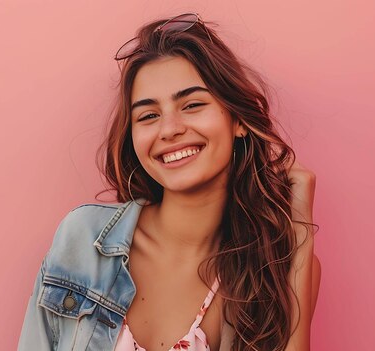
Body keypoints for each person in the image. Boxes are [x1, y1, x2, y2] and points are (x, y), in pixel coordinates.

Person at [18, 12, 321, 351]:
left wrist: (298, 232)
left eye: (191, 105)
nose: (169, 129)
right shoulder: (84, 240)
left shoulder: (276, 263)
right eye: (148, 115)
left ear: (239, 121)